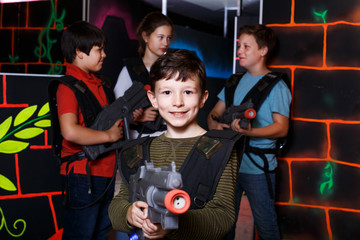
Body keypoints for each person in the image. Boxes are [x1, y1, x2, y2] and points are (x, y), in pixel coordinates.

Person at [108, 49, 242, 239]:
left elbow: (223, 217)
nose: (177, 102)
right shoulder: (138, 150)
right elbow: (118, 204)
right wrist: (130, 214)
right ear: (153, 99)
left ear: (203, 98)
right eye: (167, 92)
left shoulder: (219, 149)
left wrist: (173, 225)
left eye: (187, 92)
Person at [207, 24, 292, 240]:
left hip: (257, 168)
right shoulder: (234, 81)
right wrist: (216, 126)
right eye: (239, 46)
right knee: (224, 224)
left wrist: (250, 133)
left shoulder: (277, 86)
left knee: (265, 225)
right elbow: (213, 114)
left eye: (246, 46)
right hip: (229, 163)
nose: (239, 51)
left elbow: (281, 128)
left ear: (263, 51)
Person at [48, 21, 124, 239]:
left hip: (106, 173)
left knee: (100, 234)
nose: (104, 55)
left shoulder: (101, 84)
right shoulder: (68, 87)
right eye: (99, 50)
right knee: (80, 235)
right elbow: (69, 131)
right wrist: (108, 135)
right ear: (80, 52)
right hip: (83, 175)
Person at [113, 11, 174, 139]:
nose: (165, 43)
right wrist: (138, 117)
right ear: (145, 36)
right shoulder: (129, 70)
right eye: (160, 37)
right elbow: (116, 112)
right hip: (139, 141)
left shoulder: (171, 70)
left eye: (169, 38)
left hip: (168, 137)